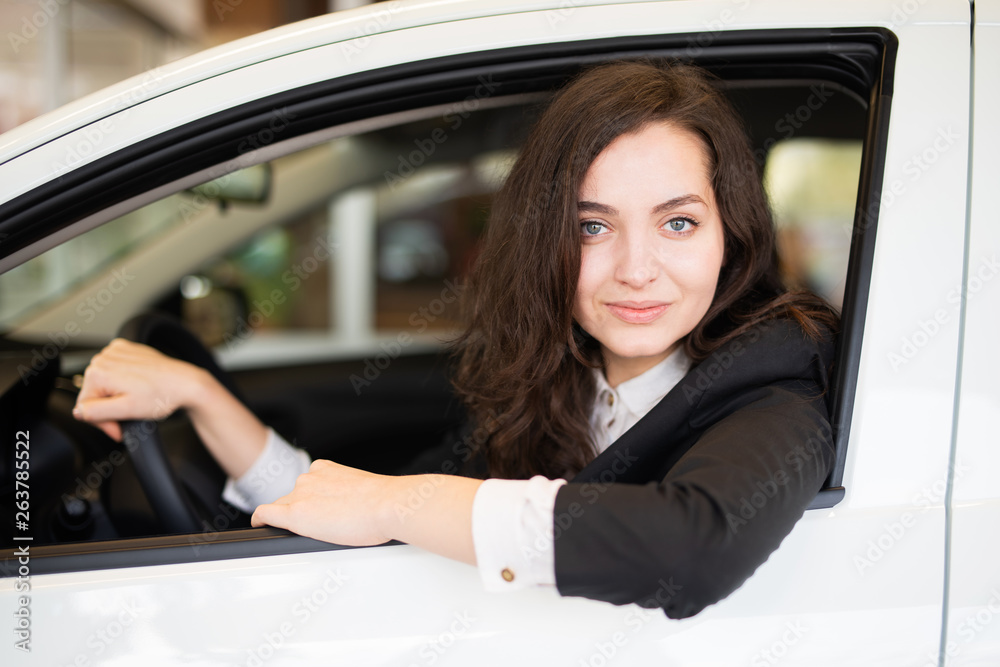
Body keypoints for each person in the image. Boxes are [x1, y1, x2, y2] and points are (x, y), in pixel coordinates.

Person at [73, 60, 838, 619]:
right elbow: (351, 513)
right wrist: (202, 395)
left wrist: (403, 503)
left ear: (730, 238)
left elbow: (693, 548)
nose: (637, 269)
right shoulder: (559, 380)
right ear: (547, 241)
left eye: (678, 222)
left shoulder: (777, 374)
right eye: (592, 226)